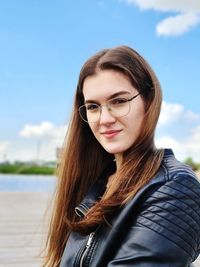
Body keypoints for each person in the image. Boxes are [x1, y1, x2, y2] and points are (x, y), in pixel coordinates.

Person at [42, 45, 200, 267]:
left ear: (149, 100)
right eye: (93, 106)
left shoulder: (174, 186)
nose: (104, 119)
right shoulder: (95, 182)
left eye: (119, 101)